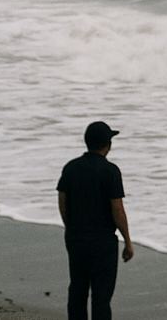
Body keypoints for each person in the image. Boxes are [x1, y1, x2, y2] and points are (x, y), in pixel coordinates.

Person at [56, 121, 134, 320]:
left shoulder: (71, 168)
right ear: (108, 144)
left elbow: (62, 202)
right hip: (103, 242)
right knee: (101, 297)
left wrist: (71, 228)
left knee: (78, 290)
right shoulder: (110, 171)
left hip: (76, 239)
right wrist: (127, 241)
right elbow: (117, 209)